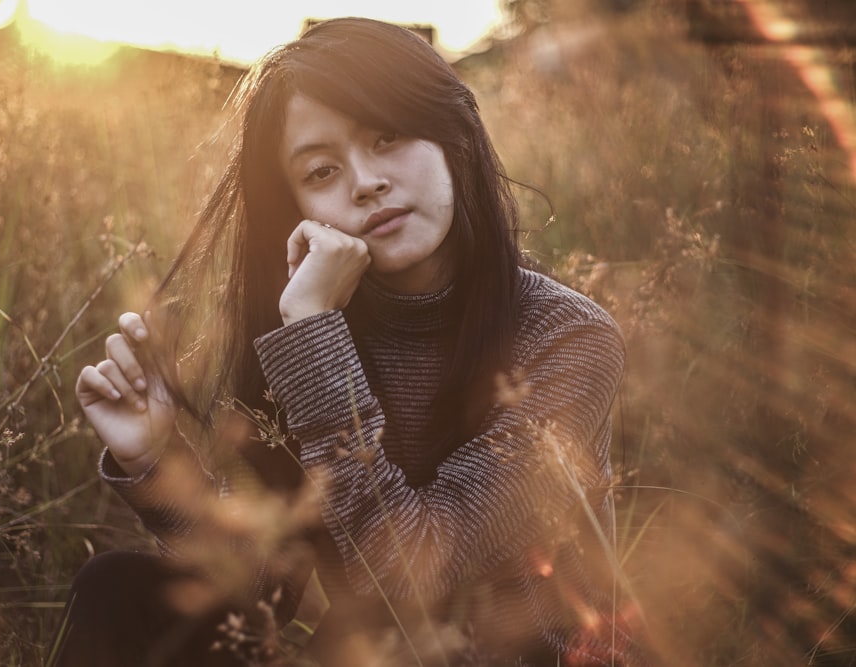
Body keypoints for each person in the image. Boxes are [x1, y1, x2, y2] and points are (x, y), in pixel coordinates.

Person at [55, 16, 641, 667]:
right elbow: (267, 587)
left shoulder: (568, 336)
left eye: (387, 137)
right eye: (322, 170)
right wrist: (156, 460)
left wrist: (313, 339)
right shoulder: (314, 329)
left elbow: (414, 580)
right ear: (298, 210)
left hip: (520, 655)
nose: (365, 181)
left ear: (456, 136)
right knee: (115, 592)